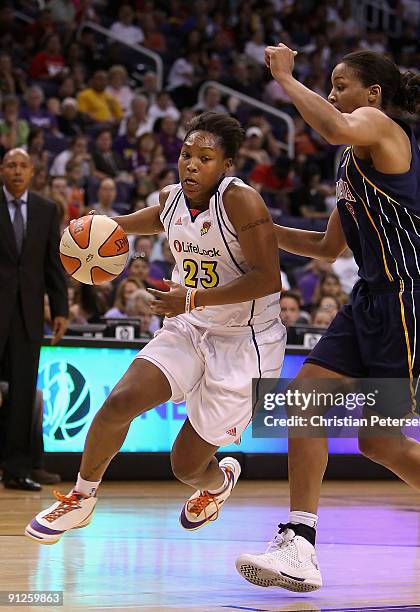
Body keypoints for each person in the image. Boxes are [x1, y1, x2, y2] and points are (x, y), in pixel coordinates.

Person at [236, 47, 420, 591]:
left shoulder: (380, 127)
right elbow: (328, 247)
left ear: (372, 94)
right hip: (373, 299)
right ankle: (299, 544)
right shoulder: (353, 163)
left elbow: (331, 126)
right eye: (327, 86)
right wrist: (258, 227)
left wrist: (284, 77)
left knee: (378, 440)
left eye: (339, 85)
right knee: (305, 399)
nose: (331, 95)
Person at [26, 111, 286, 543]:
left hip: (246, 342)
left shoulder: (242, 201)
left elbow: (267, 278)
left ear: (227, 166)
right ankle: (81, 498)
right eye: (186, 155)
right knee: (120, 402)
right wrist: (102, 227)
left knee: (185, 466)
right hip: (189, 326)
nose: (191, 164)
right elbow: (153, 218)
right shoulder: (172, 199)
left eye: (205, 158)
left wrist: (192, 297)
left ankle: (218, 483)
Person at [0, 148, 68, 491]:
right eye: (10, 165)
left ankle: (16, 468)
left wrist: (60, 310)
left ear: (32, 172)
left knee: (23, 395)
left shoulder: (45, 209)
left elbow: (53, 265)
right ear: (2, 170)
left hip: (27, 316)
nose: (16, 171)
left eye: (22, 165)